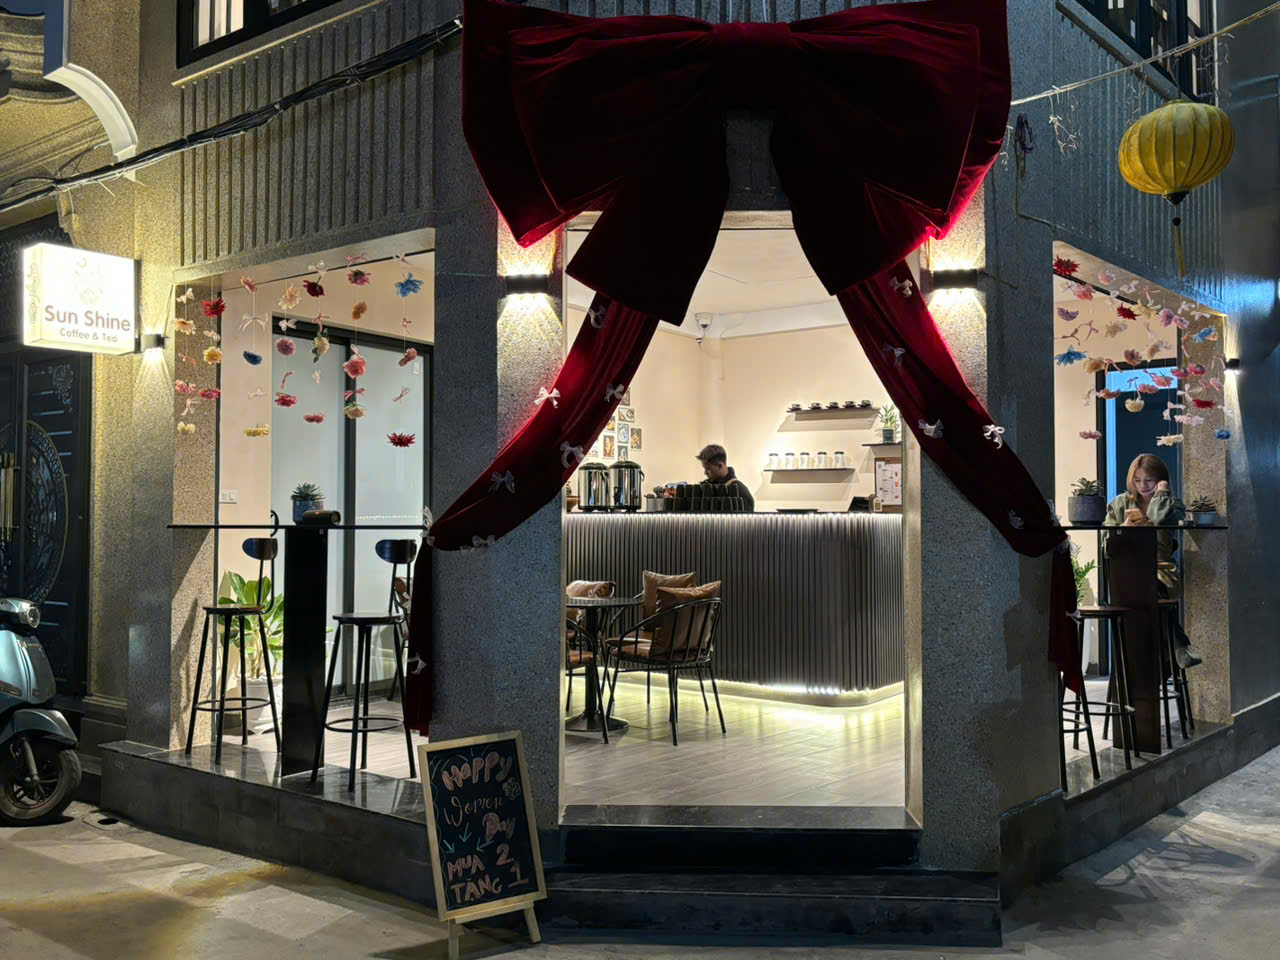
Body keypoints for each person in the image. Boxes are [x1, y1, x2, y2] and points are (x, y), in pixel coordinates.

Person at [1103, 453, 1201, 669]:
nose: (1142, 485)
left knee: (1148, 590)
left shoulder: (1173, 505)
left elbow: (1156, 520)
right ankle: (1178, 649)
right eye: (1137, 480)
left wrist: (1161, 495)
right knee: (1145, 593)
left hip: (1161, 573)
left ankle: (1161, 664)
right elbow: (1106, 546)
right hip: (1127, 575)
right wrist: (1124, 529)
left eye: (1149, 480)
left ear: (1160, 479)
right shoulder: (1119, 504)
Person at [696, 444, 755, 512]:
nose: (705, 473)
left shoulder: (740, 492)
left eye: (708, 469)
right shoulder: (707, 487)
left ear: (720, 466)